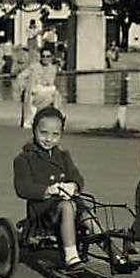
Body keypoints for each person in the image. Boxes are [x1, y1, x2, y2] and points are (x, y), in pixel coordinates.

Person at [13, 107, 86, 269]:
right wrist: (48, 190)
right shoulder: (25, 159)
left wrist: (73, 185)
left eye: (55, 135)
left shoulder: (63, 156)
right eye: (43, 133)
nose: (49, 139)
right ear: (34, 130)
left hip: (65, 202)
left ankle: (113, 253)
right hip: (42, 211)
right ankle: (71, 255)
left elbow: (77, 177)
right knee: (67, 207)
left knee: (88, 211)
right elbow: (23, 188)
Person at [17, 49, 62, 128]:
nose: (45, 58)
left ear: (51, 57)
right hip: (35, 91)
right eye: (43, 56)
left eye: (48, 56)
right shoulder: (34, 67)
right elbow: (20, 77)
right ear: (40, 57)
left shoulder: (53, 69)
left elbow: (51, 83)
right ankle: (29, 121)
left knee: (56, 95)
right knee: (32, 92)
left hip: (46, 91)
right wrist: (24, 88)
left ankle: (57, 118)